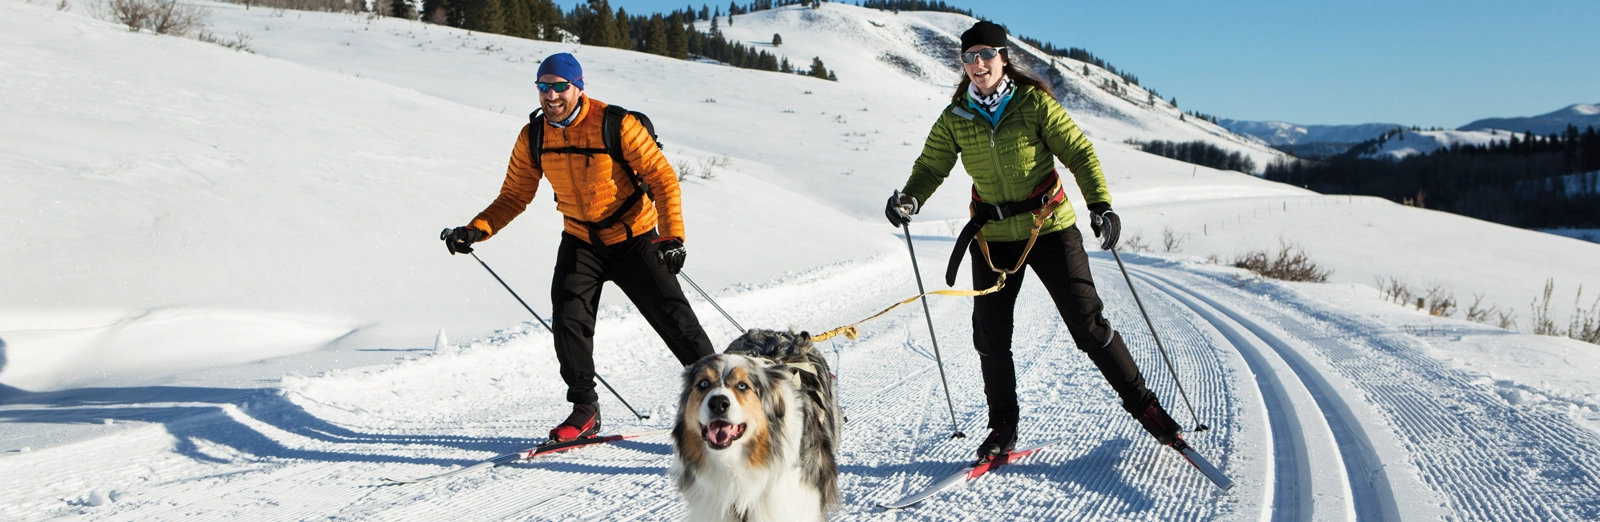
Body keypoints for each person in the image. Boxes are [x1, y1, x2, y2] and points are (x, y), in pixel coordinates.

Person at [885, 21, 1183, 461]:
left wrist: (1100, 204)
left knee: (1087, 324)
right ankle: (1002, 426)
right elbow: (931, 167)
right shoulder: (956, 118)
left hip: (1050, 230)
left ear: (1003, 57)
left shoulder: (1033, 104)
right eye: (969, 57)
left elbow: (1079, 153)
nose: (978, 63)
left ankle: (1147, 408)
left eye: (986, 54)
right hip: (993, 238)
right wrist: (910, 198)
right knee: (990, 336)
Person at [442, 53, 715, 443]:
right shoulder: (533, 136)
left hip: (634, 236)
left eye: (559, 86)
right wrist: (476, 229)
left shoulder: (615, 124)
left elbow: (662, 178)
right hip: (581, 239)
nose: (551, 95)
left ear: (578, 87)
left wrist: (672, 236)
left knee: (676, 321)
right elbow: (515, 195)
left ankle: (719, 396)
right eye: (543, 87)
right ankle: (585, 409)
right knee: (568, 319)